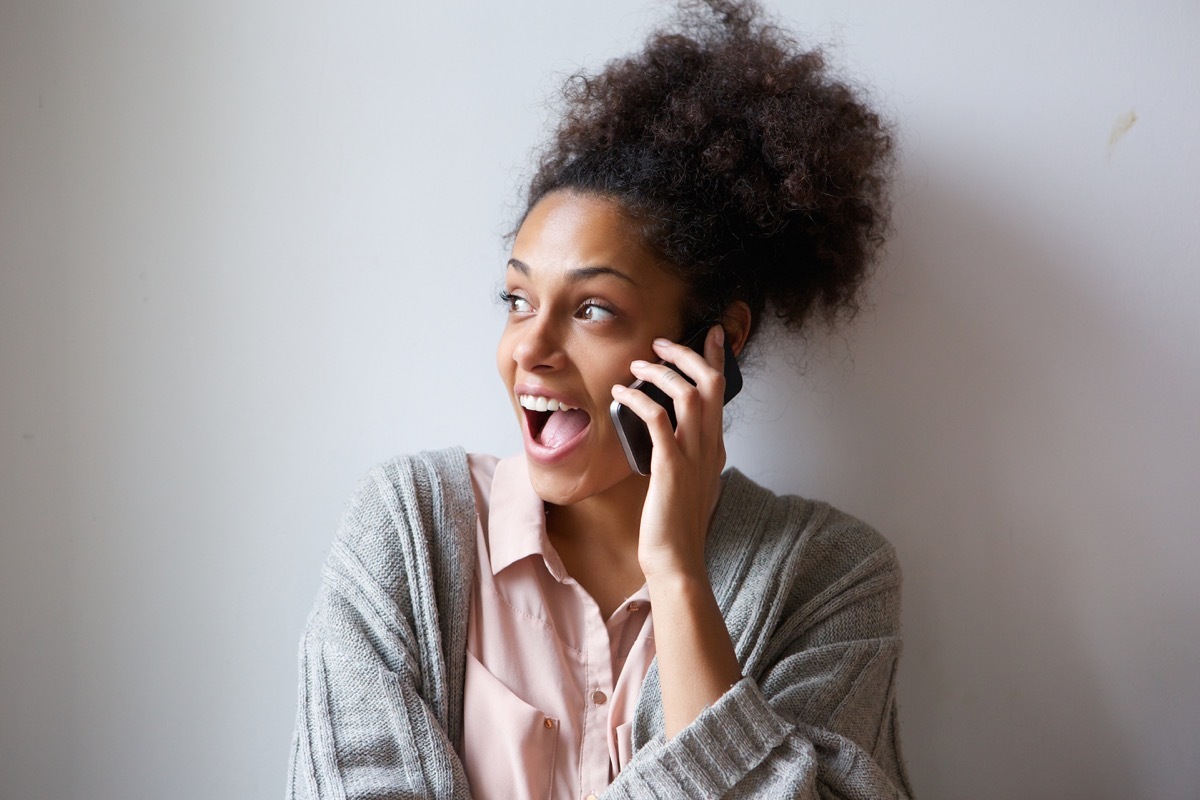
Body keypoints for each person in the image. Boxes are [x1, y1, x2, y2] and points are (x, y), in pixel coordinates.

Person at [287, 1, 912, 798]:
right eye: (517, 301)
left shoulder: (831, 575)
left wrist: (679, 574)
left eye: (591, 310)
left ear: (714, 340)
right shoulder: (408, 532)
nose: (531, 350)